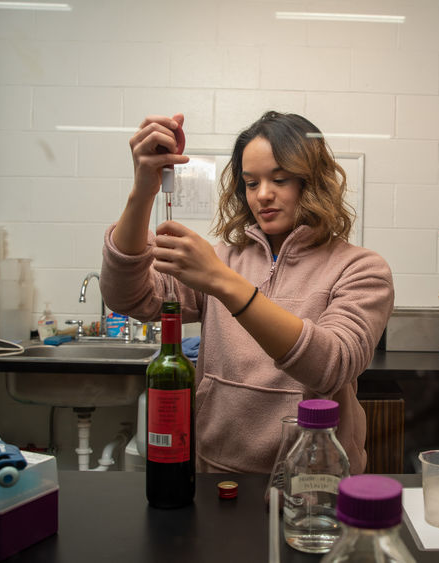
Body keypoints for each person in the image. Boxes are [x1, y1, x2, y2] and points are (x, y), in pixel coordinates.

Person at [100, 110, 394, 473]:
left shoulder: (360, 268)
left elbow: (331, 365)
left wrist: (224, 283)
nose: (263, 195)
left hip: (313, 482)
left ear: (312, 181)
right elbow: (128, 296)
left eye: (280, 179)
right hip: (216, 471)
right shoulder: (223, 260)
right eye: (251, 183)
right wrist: (143, 190)